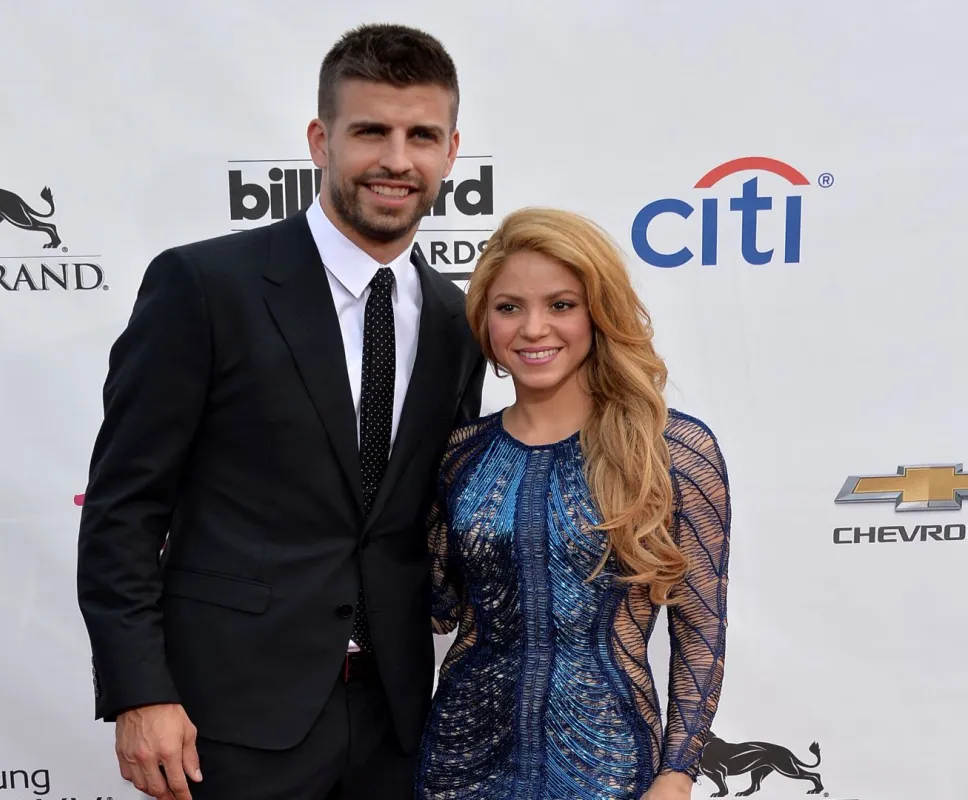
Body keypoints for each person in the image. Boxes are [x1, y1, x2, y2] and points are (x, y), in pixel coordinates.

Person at [75, 23, 486, 800]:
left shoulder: (457, 320)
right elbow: (124, 508)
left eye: (421, 136)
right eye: (370, 131)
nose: (397, 160)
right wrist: (140, 690)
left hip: (397, 717)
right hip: (229, 716)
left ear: (451, 152)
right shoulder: (205, 287)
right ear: (320, 140)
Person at [416, 207, 732, 800]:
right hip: (459, 760)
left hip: (608, 763)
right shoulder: (459, 454)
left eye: (561, 304)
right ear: (485, 320)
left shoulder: (670, 451)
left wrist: (678, 771)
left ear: (598, 313)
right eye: (510, 307)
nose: (534, 329)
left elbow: (700, 627)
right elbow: (436, 610)